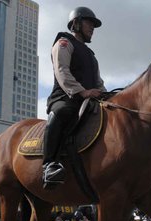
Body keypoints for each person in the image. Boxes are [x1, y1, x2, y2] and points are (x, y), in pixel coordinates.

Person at [42, 7, 106, 188]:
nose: (92, 28)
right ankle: (49, 164)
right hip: (66, 97)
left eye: (93, 25)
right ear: (76, 23)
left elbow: (98, 81)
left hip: (90, 100)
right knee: (62, 112)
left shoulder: (91, 55)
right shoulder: (64, 43)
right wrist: (82, 92)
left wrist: (108, 96)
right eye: (89, 23)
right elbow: (62, 71)